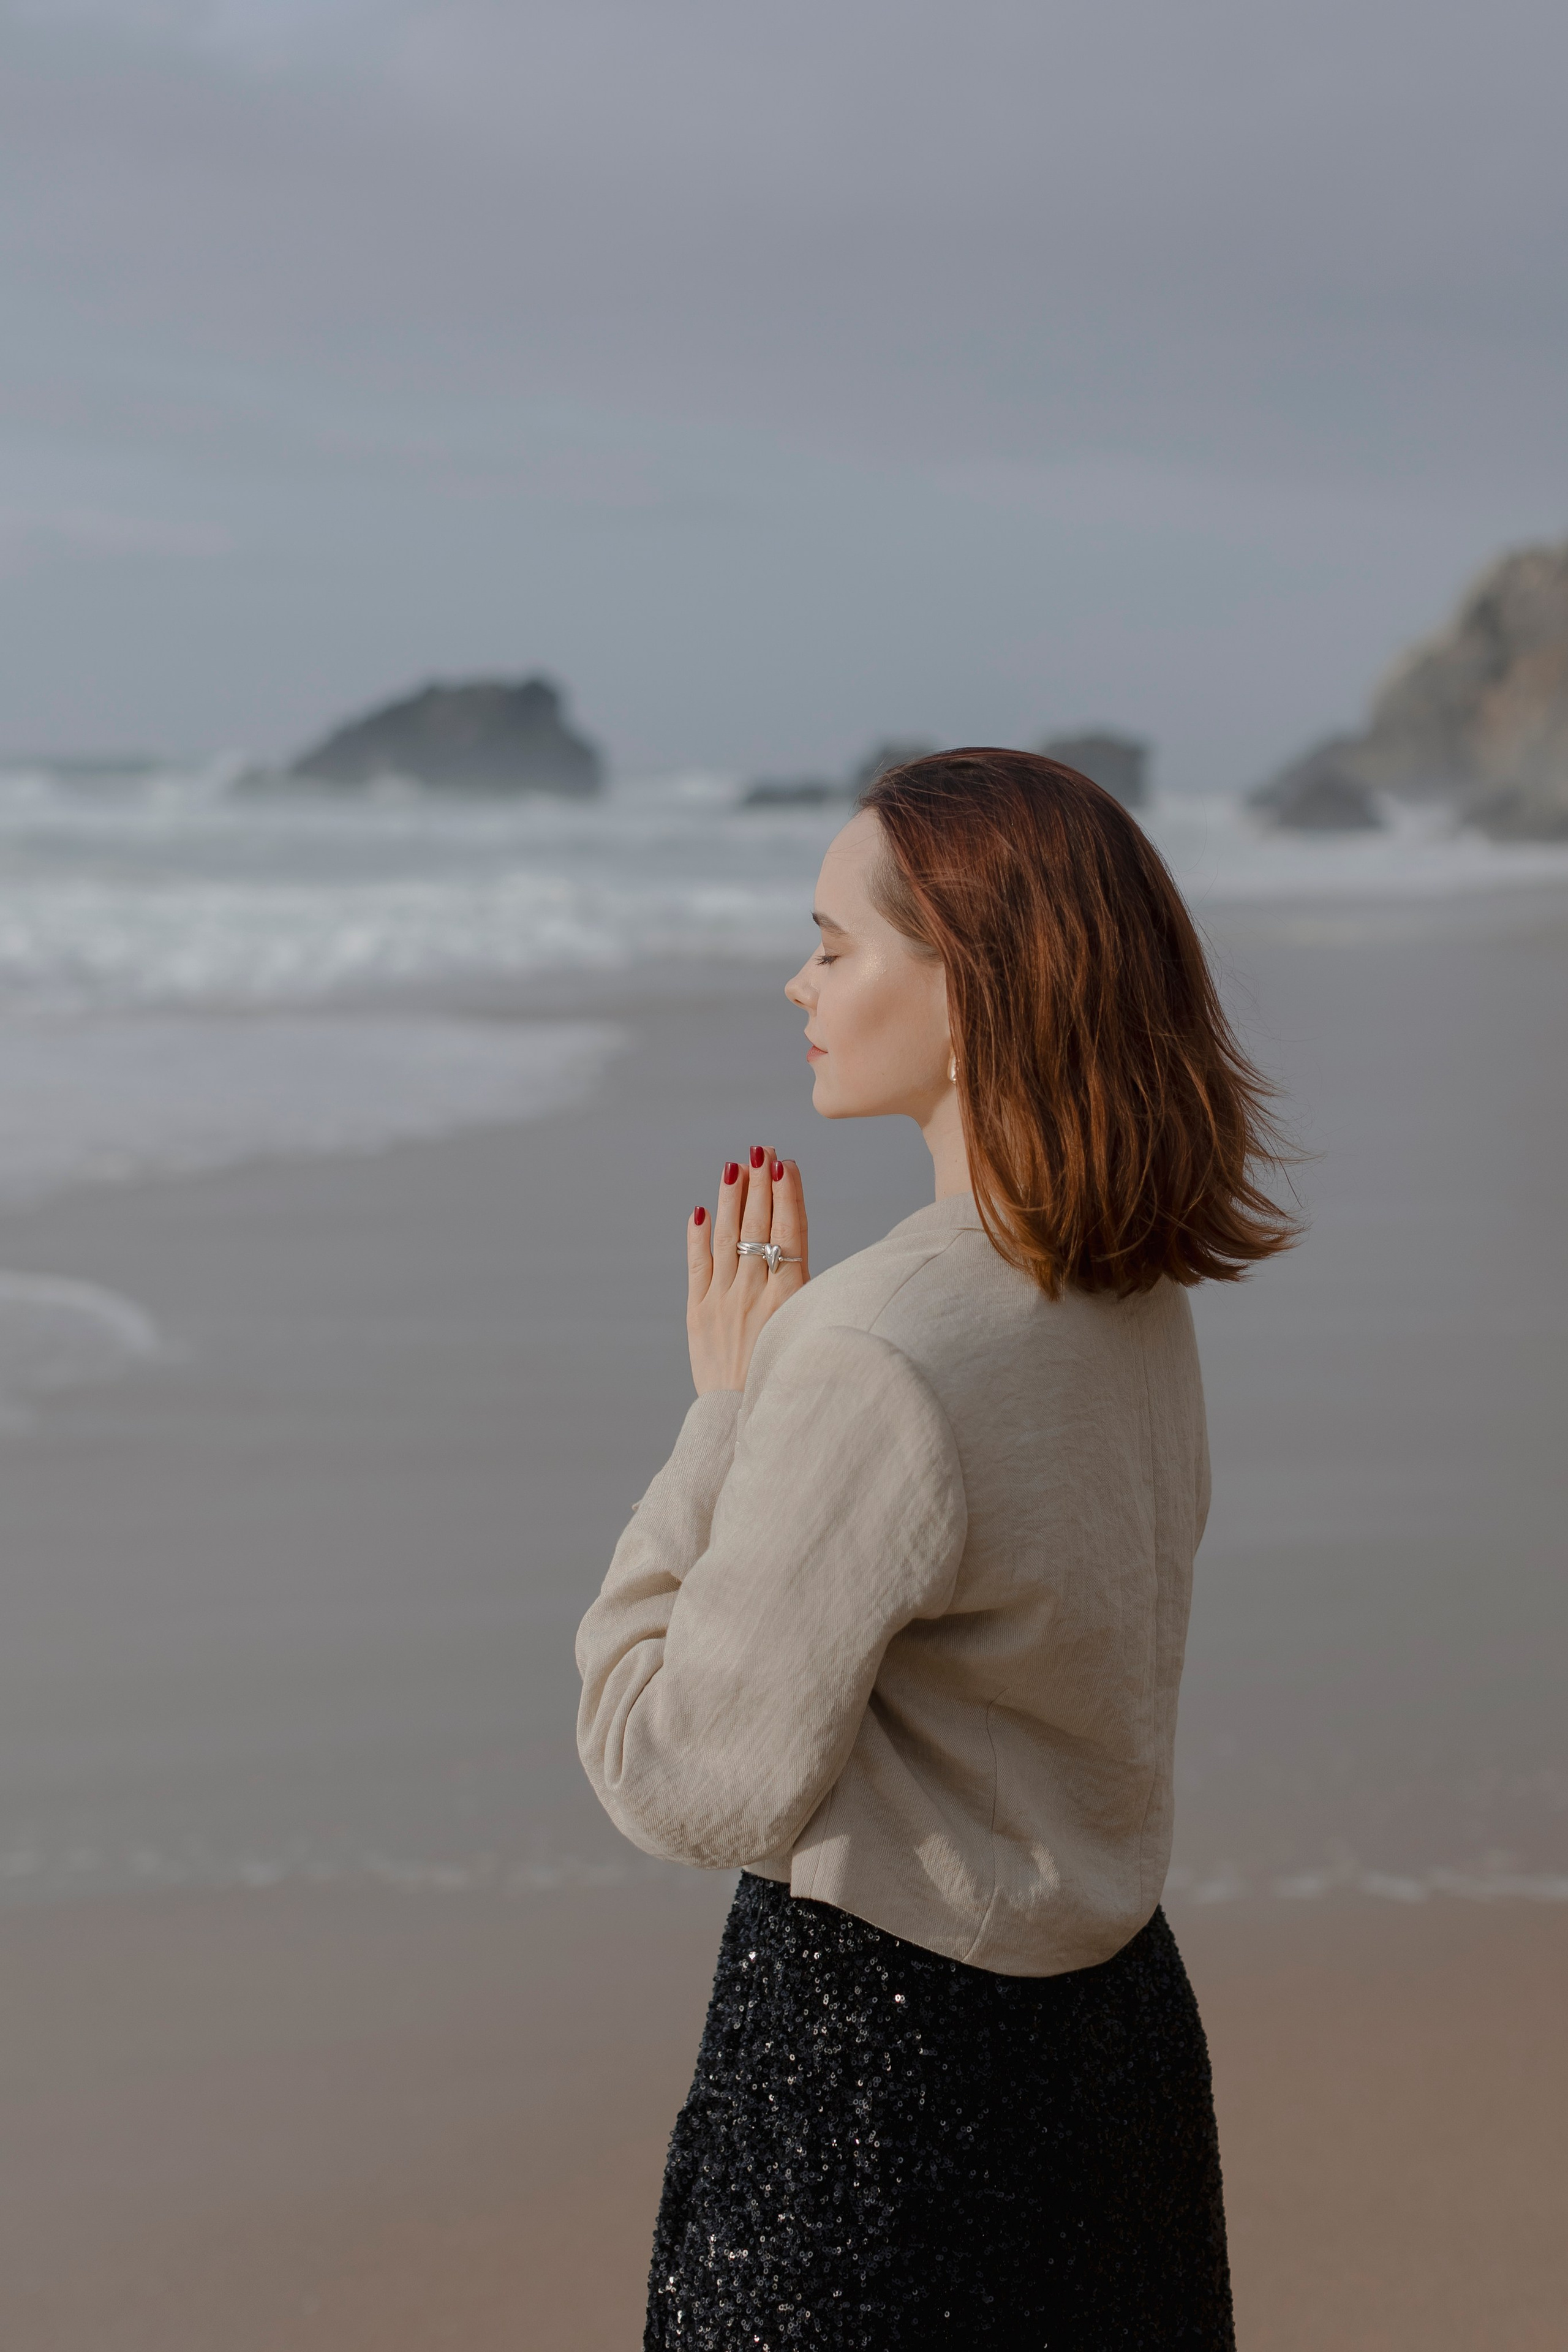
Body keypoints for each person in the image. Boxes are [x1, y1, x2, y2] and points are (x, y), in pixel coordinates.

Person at [576, 748, 1295, 2349]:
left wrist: (728, 1411)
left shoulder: (869, 1350)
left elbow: (681, 1776)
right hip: (1116, 2057)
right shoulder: (1130, 1291)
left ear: (965, 985)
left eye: (837, 947)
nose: (800, 983)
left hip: (876, 2087)